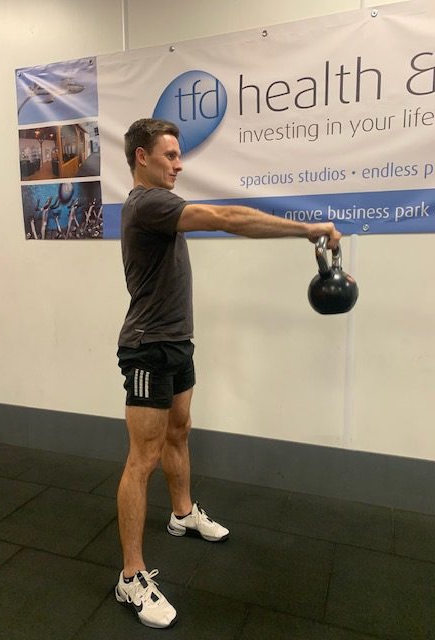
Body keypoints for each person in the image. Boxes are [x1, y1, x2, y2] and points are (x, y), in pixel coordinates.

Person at [115, 118, 341, 629]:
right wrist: (306, 229)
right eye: (170, 155)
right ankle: (131, 576)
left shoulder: (158, 204)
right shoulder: (148, 203)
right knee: (142, 458)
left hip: (177, 342)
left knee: (180, 431)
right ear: (141, 158)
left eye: (179, 155)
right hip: (147, 349)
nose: (178, 164)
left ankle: (181, 513)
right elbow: (226, 217)